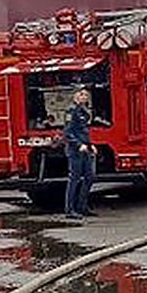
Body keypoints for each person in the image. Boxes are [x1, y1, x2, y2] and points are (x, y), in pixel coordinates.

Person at [62, 85, 96, 220]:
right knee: (74, 179)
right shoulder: (71, 111)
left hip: (85, 148)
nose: (84, 97)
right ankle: (69, 209)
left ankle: (82, 206)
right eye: (81, 94)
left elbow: (84, 131)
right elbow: (68, 133)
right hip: (75, 150)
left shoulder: (83, 111)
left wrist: (90, 144)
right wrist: (78, 144)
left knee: (90, 177)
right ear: (75, 96)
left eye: (86, 95)